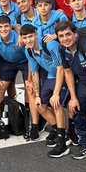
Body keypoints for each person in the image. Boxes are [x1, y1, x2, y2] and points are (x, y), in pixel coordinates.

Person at [55, 21, 86, 159]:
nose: (65, 38)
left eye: (68, 34)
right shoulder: (62, 48)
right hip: (83, 82)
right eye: (61, 36)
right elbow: (68, 72)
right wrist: (73, 97)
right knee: (76, 109)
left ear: (75, 34)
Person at [21, 24, 69, 158]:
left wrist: (55, 94)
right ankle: (58, 130)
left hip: (64, 75)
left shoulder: (50, 45)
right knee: (40, 105)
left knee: (56, 103)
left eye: (30, 36)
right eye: (25, 38)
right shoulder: (29, 51)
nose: (28, 40)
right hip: (50, 77)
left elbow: (61, 69)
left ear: (36, 34)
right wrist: (36, 95)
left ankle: (62, 144)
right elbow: (35, 73)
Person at [0, 15, 28, 117]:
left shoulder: (19, 38)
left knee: (30, 88)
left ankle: (29, 116)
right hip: (7, 63)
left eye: (6, 26)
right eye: (0, 27)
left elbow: (30, 56)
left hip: (24, 62)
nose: (3, 29)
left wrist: (31, 78)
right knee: (0, 88)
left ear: (10, 27)